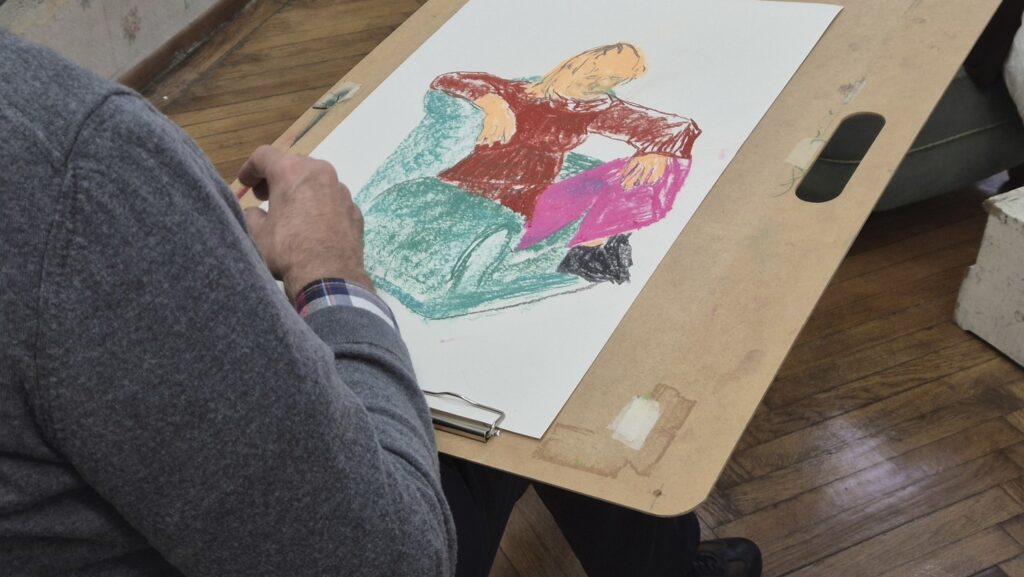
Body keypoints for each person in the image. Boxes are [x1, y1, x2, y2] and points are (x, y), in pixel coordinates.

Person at [0, 31, 761, 577]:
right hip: (349, 526)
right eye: (595, 64)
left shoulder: (592, 114)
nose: (594, 81)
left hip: (501, 216)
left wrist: (665, 144)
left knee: (543, 331)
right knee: (545, 377)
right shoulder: (74, 162)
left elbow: (668, 126)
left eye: (608, 80)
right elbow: (386, 557)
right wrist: (329, 270)